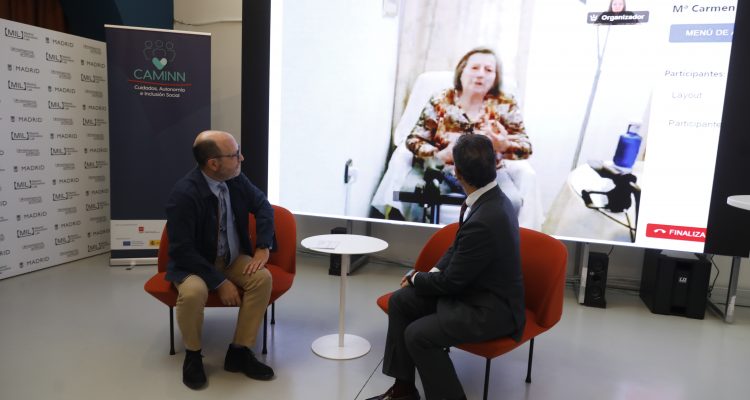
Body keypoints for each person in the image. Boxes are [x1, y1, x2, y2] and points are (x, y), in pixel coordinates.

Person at [366, 134, 526, 400]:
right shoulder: (489, 198)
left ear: (458, 173)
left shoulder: (487, 216)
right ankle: (403, 390)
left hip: (490, 309)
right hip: (473, 292)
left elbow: (453, 282)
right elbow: (457, 248)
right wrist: (427, 276)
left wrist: (416, 278)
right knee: (401, 302)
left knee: (418, 335)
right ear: (493, 165)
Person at [165, 130, 275, 389]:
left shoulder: (235, 178)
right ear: (213, 163)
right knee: (192, 293)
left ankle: (239, 351)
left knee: (262, 278)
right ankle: (193, 356)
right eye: (235, 154)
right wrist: (218, 282)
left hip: (231, 258)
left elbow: (263, 206)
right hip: (195, 265)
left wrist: (263, 246)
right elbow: (182, 250)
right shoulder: (184, 194)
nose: (242, 158)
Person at [398, 47, 531, 222]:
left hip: (489, 174)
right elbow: (414, 140)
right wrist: (439, 154)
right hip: (442, 170)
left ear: (495, 77)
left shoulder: (505, 103)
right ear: (462, 71)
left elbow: (526, 147)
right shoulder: (440, 100)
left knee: (511, 201)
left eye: (488, 70)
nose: (481, 74)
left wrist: (504, 145)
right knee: (414, 195)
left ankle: (492, 245)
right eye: (475, 68)